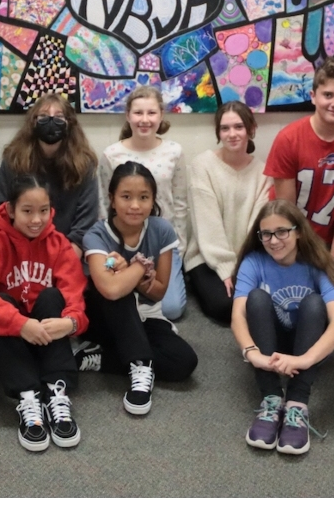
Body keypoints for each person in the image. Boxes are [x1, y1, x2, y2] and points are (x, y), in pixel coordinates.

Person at [0, 174, 89, 452]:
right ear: (10, 210)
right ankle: (28, 396)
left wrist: (70, 324)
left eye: (43, 211)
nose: (37, 220)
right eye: (27, 211)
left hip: (45, 336)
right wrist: (19, 324)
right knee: (0, 301)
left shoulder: (58, 245)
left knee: (51, 296)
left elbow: (75, 295)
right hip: (5, 341)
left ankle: (57, 392)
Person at [231, 201, 334, 455]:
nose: (273, 241)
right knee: (256, 299)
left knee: (315, 303)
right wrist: (252, 354)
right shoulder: (254, 261)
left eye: (282, 232)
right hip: (268, 343)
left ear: (298, 232)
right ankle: (271, 399)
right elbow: (238, 315)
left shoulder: (317, 262)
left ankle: (297, 403)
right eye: (266, 234)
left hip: (308, 343)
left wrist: (305, 359)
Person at [83, 162, 199, 415]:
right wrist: (137, 270)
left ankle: (102, 359)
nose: (135, 205)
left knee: (184, 361)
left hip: (146, 315)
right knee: (119, 292)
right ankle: (140, 366)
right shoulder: (96, 234)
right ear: (112, 200)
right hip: (106, 317)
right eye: (126, 197)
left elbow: (158, 292)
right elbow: (110, 290)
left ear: (153, 200)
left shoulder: (161, 230)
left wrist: (129, 276)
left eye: (143, 197)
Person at [263, 58, 334, 263]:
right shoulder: (288, 139)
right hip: (284, 241)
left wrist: (332, 260)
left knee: (333, 292)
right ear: (313, 96)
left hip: (328, 244)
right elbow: (285, 209)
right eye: (328, 95)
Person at [98, 87, 189, 320]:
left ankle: (137, 289)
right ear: (128, 116)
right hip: (122, 241)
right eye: (138, 113)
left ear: (161, 115)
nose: (145, 120)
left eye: (151, 113)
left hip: (160, 243)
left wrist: (178, 247)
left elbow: (179, 202)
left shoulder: (174, 152)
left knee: (171, 309)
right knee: (112, 302)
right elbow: (103, 202)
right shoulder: (112, 154)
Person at [183, 101, 272, 325]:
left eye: (239, 127)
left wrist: (245, 268)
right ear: (218, 132)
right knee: (226, 307)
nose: (232, 134)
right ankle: (197, 282)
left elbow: (256, 226)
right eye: (225, 128)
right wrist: (226, 269)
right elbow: (207, 224)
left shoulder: (263, 173)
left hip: (246, 257)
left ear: (251, 129)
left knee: (265, 301)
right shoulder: (201, 166)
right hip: (207, 256)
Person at [0, 93, 98, 254]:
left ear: (69, 124)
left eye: (58, 117)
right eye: (43, 116)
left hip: (68, 251)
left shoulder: (84, 165)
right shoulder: (13, 160)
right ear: (33, 122)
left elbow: (86, 221)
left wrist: (65, 257)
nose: (51, 122)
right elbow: (2, 210)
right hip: (20, 251)